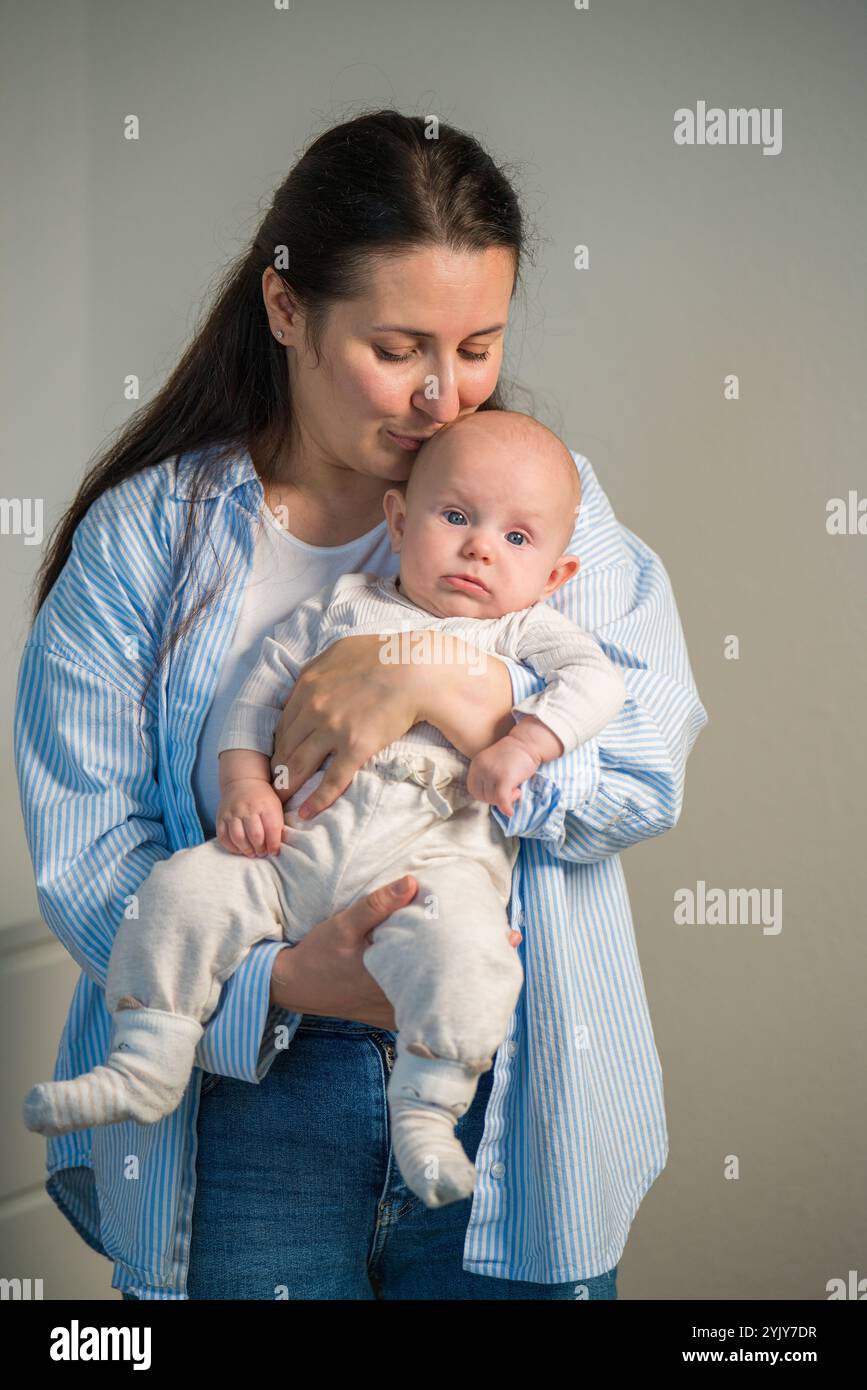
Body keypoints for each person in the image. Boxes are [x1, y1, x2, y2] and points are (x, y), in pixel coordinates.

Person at [14, 109, 708, 1300]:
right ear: (287, 309)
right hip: (246, 1116)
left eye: (480, 345)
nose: (446, 398)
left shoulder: (545, 502)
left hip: (508, 1105)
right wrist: (281, 983)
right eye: (399, 349)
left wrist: (452, 686)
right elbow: (92, 856)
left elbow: (644, 768)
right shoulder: (151, 541)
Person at [22, 410, 628, 1214]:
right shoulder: (342, 607)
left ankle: (427, 1104)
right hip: (286, 856)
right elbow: (255, 698)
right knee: (179, 891)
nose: (482, 546)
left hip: (428, 870)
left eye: (518, 540)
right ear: (399, 519)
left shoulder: (526, 632)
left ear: (556, 575)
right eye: (455, 518)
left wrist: (523, 748)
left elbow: (599, 687)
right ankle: (146, 1054)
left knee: (474, 950)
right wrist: (242, 787)